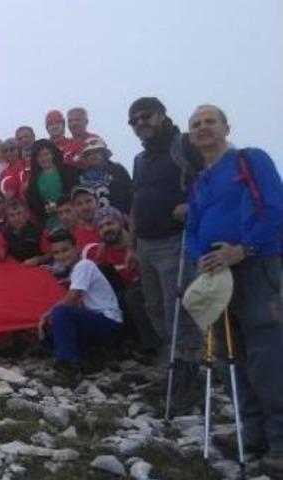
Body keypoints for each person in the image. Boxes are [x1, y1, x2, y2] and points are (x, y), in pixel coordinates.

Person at [184, 104, 283, 470]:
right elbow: (192, 230)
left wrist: (244, 249)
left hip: (256, 267)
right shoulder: (200, 180)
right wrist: (201, 257)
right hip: (216, 275)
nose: (203, 128)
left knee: (267, 356)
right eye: (196, 124)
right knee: (232, 357)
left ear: (226, 126)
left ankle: (279, 441)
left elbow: (276, 208)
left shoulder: (250, 160)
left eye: (210, 121)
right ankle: (252, 434)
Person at [129, 96, 205, 413]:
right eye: (134, 121)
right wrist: (131, 245)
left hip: (175, 239)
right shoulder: (140, 160)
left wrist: (193, 206)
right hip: (146, 243)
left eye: (146, 116)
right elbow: (136, 200)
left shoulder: (184, 145)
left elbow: (212, 178)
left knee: (179, 310)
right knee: (154, 307)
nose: (141, 124)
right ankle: (178, 366)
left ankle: (189, 377)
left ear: (162, 116)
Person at [37, 230, 123, 385]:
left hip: (108, 322)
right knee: (54, 327)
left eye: (65, 250)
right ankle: (89, 359)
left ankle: (68, 370)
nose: (61, 256)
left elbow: (72, 297)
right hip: (98, 321)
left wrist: (47, 314)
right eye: (56, 252)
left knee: (60, 313)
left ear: (76, 247)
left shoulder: (84, 265)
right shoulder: (76, 270)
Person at [84, 207, 158, 351]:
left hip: (145, 290)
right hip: (118, 297)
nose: (106, 229)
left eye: (110, 223)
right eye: (101, 227)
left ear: (120, 223)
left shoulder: (137, 245)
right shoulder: (100, 252)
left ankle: (150, 344)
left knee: (132, 295)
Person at [26, 140, 80, 230]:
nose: (44, 158)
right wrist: (45, 209)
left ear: (53, 154)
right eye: (39, 156)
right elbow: (33, 203)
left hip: (71, 217)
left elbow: (76, 192)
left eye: (46, 154)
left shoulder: (68, 171)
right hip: (49, 221)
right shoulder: (33, 179)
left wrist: (60, 206)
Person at [77, 137, 133, 215]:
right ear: (85, 157)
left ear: (104, 153)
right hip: (94, 222)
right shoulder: (81, 176)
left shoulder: (118, 169)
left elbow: (131, 193)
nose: (93, 156)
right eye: (89, 153)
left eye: (97, 152)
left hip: (121, 217)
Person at [0, 200, 49, 266]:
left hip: (38, 269)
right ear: (7, 218)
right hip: (16, 271)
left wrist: (38, 259)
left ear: (27, 214)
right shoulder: (4, 233)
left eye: (19, 213)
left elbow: (50, 254)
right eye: (12, 215)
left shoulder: (40, 230)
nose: (16, 218)